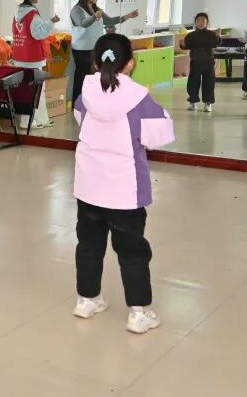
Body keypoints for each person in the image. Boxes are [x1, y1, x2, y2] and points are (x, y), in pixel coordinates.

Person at [71, 33, 175, 334]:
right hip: (124, 191)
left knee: (88, 245)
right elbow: (160, 135)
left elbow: (80, 118)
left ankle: (87, 300)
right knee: (132, 251)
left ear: (94, 62)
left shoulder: (86, 92)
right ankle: (139, 313)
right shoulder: (138, 98)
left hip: (89, 187)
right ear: (130, 63)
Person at [69, 0, 138, 104]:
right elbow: (83, 23)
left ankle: (91, 102)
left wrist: (128, 16)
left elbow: (110, 21)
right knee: (82, 76)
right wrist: (94, 16)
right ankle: (78, 102)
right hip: (81, 49)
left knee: (94, 76)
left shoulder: (96, 9)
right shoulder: (77, 10)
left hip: (95, 47)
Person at [11, 0, 60, 129]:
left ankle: (41, 119)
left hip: (19, 55)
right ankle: (28, 121)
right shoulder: (32, 13)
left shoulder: (17, 12)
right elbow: (38, 34)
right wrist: (50, 22)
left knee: (31, 89)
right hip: (32, 58)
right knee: (35, 90)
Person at [181, 12, 221, 112]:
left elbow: (217, 43)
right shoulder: (191, 35)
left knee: (209, 83)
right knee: (193, 82)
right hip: (195, 62)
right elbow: (186, 46)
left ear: (206, 22)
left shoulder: (211, 34)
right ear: (195, 22)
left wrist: (218, 36)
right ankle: (192, 102)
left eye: (203, 21)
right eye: (198, 21)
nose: (201, 23)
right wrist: (182, 44)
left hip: (208, 61)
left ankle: (208, 103)